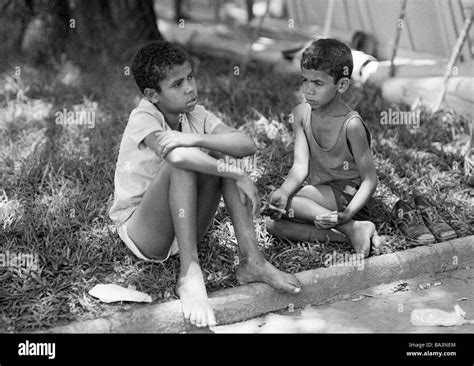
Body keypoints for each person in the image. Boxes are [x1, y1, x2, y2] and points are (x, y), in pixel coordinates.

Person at [108, 41, 301, 329]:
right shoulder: (144, 116)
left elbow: (245, 143)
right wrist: (236, 173)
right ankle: (189, 272)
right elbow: (177, 155)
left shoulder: (195, 114)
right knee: (185, 163)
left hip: (183, 224)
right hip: (144, 232)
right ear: (152, 95)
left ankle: (252, 261)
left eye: (190, 78)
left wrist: (195, 138)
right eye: (177, 84)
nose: (189, 88)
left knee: (218, 153)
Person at [266, 38, 382, 257]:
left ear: (342, 85)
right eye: (305, 80)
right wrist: (282, 191)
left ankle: (352, 225)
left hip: (351, 198)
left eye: (318, 83)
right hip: (319, 200)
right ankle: (354, 233)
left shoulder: (352, 125)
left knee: (293, 203)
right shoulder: (301, 114)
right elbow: (300, 166)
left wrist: (348, 214)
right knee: (273, 224)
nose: (308, 90)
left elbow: (370, 180)